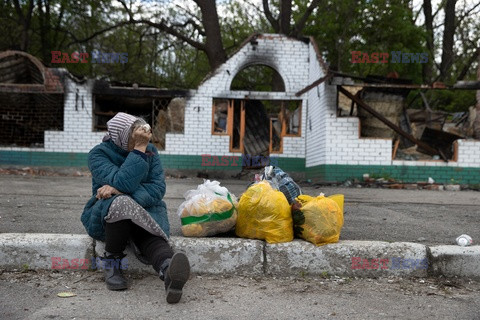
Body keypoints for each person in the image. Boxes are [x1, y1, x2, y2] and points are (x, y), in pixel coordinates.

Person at [81, 112, 190, 304]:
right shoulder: (98, 154)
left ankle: (168, 271)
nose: (143, 143)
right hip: (110, 213)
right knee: (121, 204)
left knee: (146, 231)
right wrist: (138, 150)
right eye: (137, 139)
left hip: (146, 208)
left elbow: (157, 189)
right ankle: (112, 263)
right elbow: (123, 182)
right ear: (121, 137)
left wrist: (119, 189)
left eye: (143, 139)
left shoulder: (151, 151)